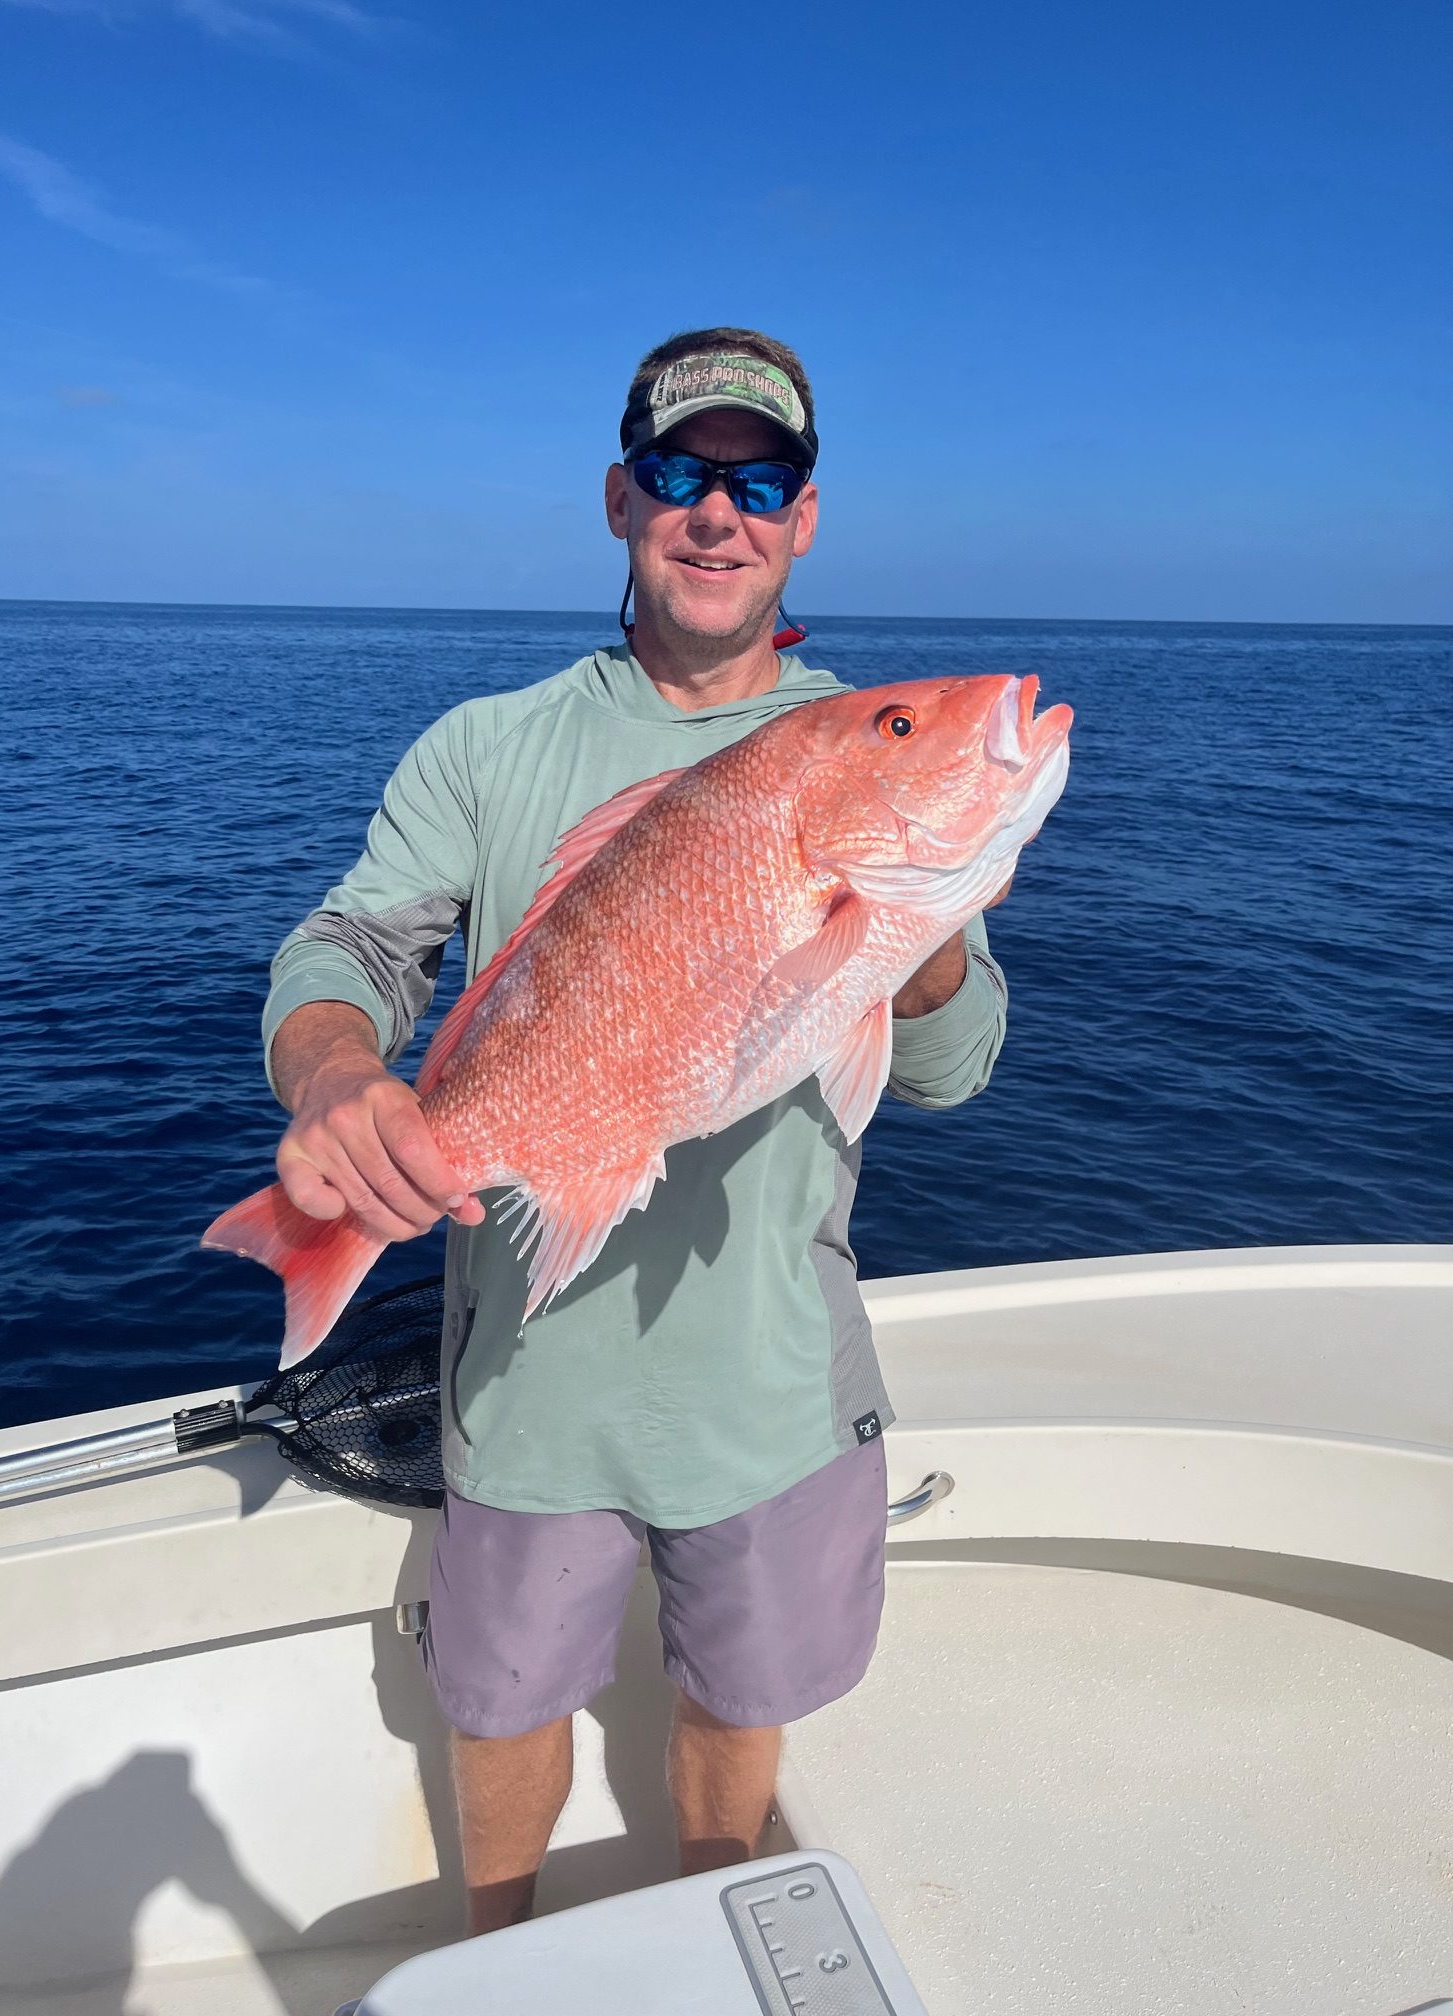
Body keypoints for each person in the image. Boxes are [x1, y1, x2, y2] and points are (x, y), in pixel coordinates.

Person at [261, 328, 1012, 1934]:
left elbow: (946, 1073)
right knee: (504, 1704)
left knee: (745, 1701)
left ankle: (711, 1930)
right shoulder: (490, 747)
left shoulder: (848, 739)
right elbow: (356, 952)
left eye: (761, 481)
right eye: (679, 475)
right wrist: (334, 1076)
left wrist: (914, 914)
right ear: (621, 500)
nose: (716, 512)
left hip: (771, 1384)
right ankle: (500, 1953)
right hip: (532, 1380)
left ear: (804, 518)